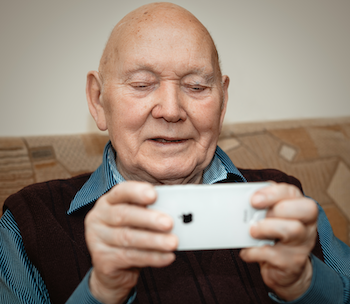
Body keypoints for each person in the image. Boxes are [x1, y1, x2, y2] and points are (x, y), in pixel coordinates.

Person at [0, 2, 349, 304]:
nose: (170, 110)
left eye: (196, 87)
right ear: (97, 100)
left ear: (222, 101)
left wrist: (303, 283)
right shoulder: (28, 220)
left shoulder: (284, 199)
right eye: (141, 85)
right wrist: (102, 291)